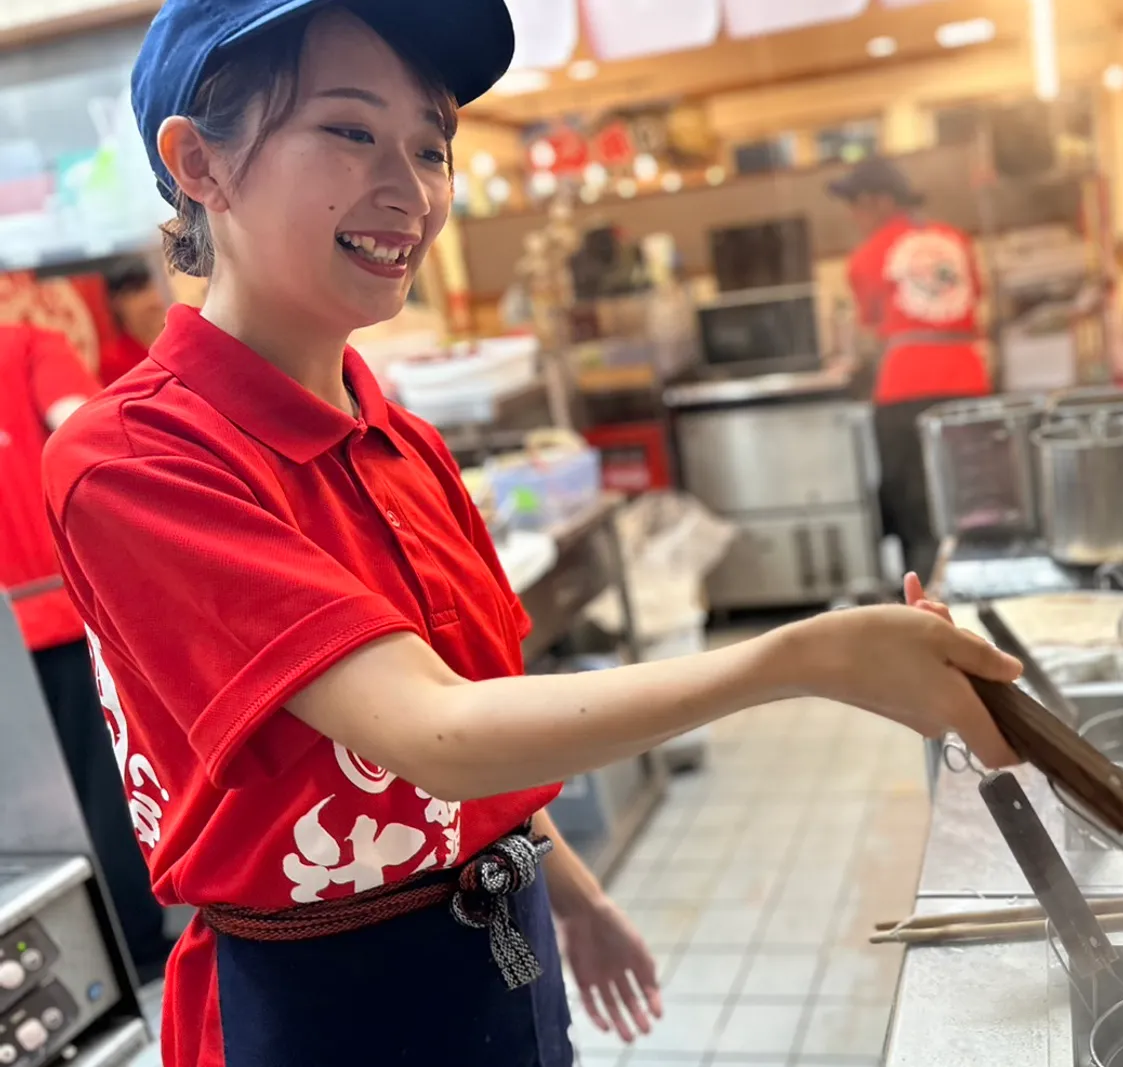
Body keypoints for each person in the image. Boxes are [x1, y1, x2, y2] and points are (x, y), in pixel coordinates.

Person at [41, 4, 1023, 1066]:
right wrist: (800, 656)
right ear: (199, 163)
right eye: (350, 130)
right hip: (326, 1001)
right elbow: (432, 729)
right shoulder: (133, 458)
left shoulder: (398, 438)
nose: (411, 188)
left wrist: (576, 892)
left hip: (500, 935)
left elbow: (480, 713)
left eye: (430, 144)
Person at [0, 322, 175, 985]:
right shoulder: (25, 344)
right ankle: (130, 943)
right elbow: (85, 430)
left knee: (29, 811)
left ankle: (68, 967)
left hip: (22, 625)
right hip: (57, 610)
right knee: (103, 783)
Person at [829, 157, 993, 582]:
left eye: (857, 205)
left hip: (905, 391)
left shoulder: (866, 257)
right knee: (972, 500)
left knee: (914, 512)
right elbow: (974, 301)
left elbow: (869, 331)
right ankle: (977, 589)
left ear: (881, 202)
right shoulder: (956, 239)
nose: (853, 216)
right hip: (970, 385)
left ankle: (920, 604)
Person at [97, 256, 170, 385]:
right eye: (139, 291)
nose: (153, 299)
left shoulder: (180, 343)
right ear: (117, 302)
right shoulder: (112, 362)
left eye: (153, 287)